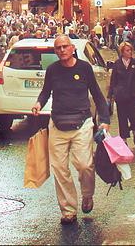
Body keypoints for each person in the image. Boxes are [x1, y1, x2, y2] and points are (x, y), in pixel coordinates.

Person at [31, 35, 110, 225]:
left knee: (84, 165)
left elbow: (98, 95)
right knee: (59, 169)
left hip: (82, 123)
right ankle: (68, 210)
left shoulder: (84, 68)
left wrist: (105, 120)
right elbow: (45, 91)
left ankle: (87, 195)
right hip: (57, 123)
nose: (61, 50)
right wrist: (38, 103)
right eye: (58, 48)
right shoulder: (52, 70)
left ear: (72, 48)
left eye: (65, 46)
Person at [108, 42, 135, 146]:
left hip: (134, 95)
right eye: (127, 51)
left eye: (131, 50)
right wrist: (111, 95)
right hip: (121, 95)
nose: (130, 52)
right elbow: (113, 80)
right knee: (122, 118)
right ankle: (124, 139)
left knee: (134, 116)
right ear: (122, 52)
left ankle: (134, 130)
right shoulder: (117, 64)